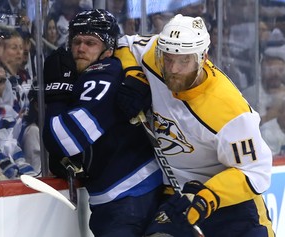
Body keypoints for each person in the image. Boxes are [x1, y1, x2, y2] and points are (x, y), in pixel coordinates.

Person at [115, 14, 274, 237]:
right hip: (177, 195)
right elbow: (124, 43)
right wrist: (134, 75)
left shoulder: (229, 110)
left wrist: (206, 198)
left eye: (184, 61)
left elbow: (256, 172)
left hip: (228, 203)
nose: (173, 69)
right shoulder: (154, 56)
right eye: (168, 59)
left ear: (203, 57)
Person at [42, 9, 163, 237]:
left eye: (90, 43)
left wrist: (56, 96)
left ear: (107, 50)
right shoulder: (98, 72)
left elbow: (65, 139)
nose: (80, 49)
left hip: (128, 197)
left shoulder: (103, 74)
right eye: (76, 41)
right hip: (128, 194)